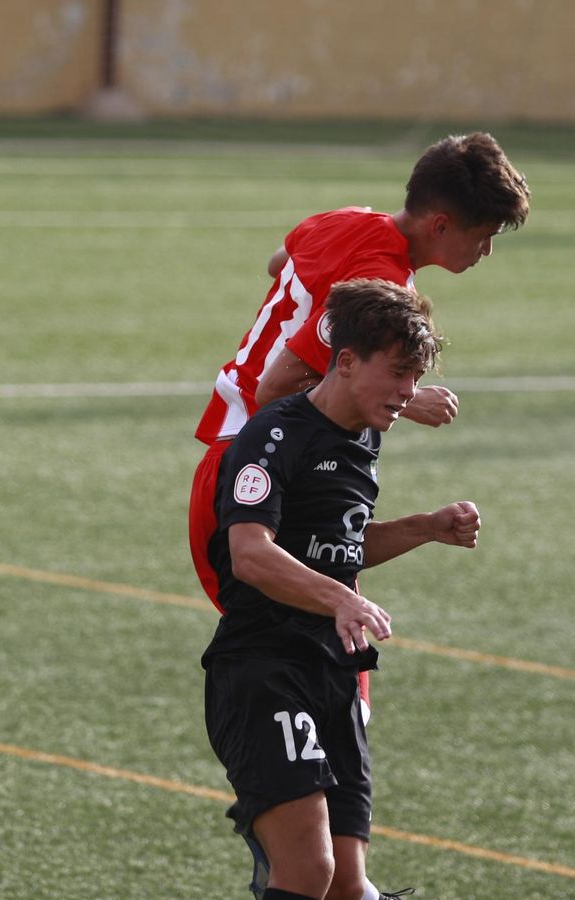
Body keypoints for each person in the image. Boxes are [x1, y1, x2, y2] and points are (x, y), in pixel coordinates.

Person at [187, 132, 526, 897]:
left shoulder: (350, 220)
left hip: (235, 451)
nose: (486, 251)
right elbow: (283, 388)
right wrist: (399, 401)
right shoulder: (383, 281)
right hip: (254, 465)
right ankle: (289, 837)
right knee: (299, 633)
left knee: (322, 631)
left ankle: (324, 856)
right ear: (442, 223)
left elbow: (282, 266)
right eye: (485, 234)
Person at [202, 279, 481, 900]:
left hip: (334, 673)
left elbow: (342, 549)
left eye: (417, 375)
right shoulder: (275, 434)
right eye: (400, 372)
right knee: (309, 874)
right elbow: (250, 554)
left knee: (349, 886)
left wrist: (425, 528)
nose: (410, 392)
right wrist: (340, 598)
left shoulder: (366, 434)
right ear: (347, 360)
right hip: (264, 668)